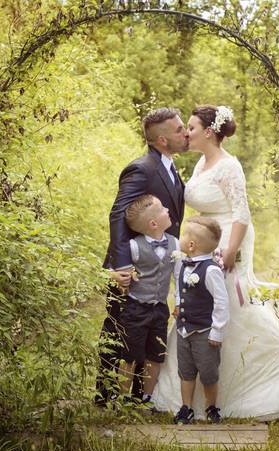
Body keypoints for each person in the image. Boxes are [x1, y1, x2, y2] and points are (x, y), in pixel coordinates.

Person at [152, 105, 279, 421]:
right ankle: (194, 392)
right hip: (204, 239)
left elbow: (241, 213)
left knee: (230, 306)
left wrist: (231, 250)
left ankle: (266, 382)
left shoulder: (229, 166)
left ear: (209, 131)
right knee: (199, 304)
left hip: (227, 240)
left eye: (191, 128)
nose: (186, 133)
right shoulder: (201, 163)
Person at [96, 108, 188, 405]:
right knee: (120, 329)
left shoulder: (170, 167)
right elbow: (118, 214)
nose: (185, 133)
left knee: (147, 336)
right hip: (132, 266)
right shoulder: (141, 168)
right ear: (162, 139)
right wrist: (122, 266)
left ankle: (138, 397)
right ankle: (105, 395)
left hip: (157, 265)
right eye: (179, 129)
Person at [115, 195, 179, 405]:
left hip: (160, 309)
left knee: (156, 355)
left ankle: (147, 396)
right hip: (136, 308)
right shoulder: (134, 246)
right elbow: (118, 271)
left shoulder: (175, 244)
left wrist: (178, 301)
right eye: (163, 209)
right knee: (130, 354)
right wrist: (112, 275)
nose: (168, 210)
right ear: (153, 223)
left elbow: (178, 277)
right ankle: (124, 397)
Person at [172, 216, 229, 425]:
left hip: (204, 332)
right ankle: (186, 408)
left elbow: (222, 303)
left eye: (184, 235)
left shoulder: (211, 270)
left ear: (192, 245)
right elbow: (180, 288)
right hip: (183, 330)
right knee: (185, 371)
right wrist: (179, 303)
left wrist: (217, 331)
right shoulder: (182, 263)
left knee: (208, 372)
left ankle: (211, 407)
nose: (181, 238)